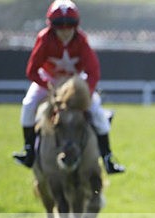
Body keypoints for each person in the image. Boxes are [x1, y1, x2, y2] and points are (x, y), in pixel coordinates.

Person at [12, 0, 125, 174]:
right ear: (52, 27)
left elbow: (93, 72)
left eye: (69, 27)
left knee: (97, 112)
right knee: (28, 104)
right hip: (49, 81)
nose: (65, 31)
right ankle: (28, 151)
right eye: (60, 27)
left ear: (76, 26)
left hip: (75, 83)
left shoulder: (82, 40)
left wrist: (85, 92)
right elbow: (32, 71)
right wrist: (48, 86)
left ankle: (108, 158)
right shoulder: (44, 38)